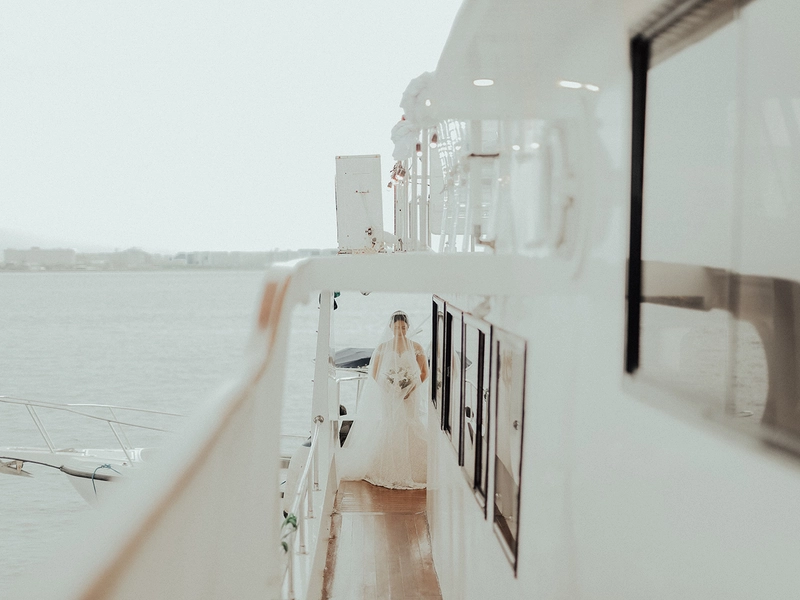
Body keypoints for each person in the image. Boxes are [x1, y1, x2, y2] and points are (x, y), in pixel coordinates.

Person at [337, 310, 428, 489]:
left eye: (403, 327)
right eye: (397, 327)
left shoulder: (416, 347)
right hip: (390, 396)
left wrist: (410, 389)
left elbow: (424, 372)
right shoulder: (383, 347)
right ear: (391, 327)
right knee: (391, 425)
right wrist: (390, 389)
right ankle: (388, 468)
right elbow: (375, 373)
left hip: (410, 396)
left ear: (408, 327)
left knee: (410, 424)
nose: (400, 331)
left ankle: (416, 469)